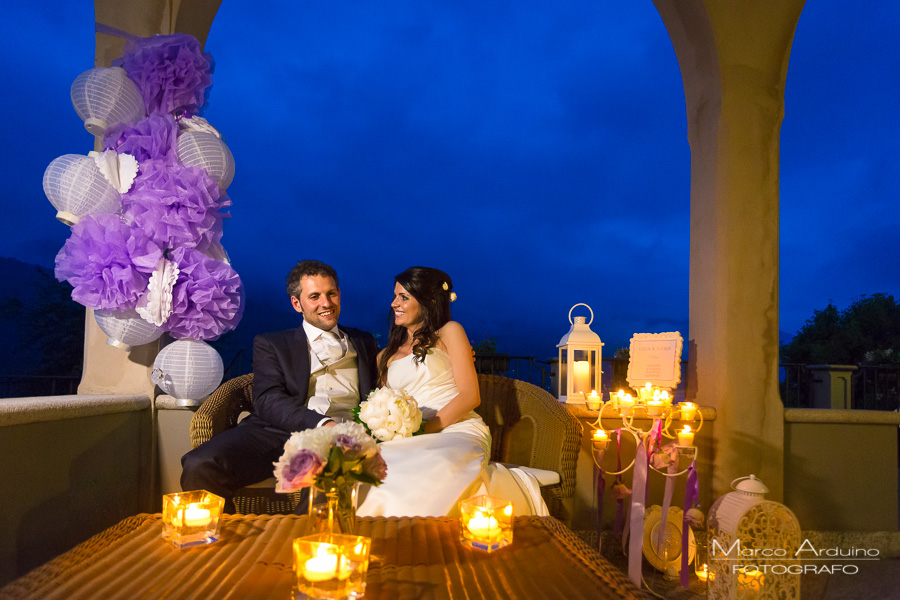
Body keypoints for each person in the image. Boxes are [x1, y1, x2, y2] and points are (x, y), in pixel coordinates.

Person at [181, 260, 379, 512]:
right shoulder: (272, 343)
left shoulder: (363, 341)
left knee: (325, 482)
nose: (326, 303)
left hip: (343, 437)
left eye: (331, 294)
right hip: (277, 432)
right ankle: (229, 543)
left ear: (339, 294)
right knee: (200, 464)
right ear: (297, 304)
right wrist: (321, 424)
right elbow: (267, 398)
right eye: (315, 296)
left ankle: (296, 542)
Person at [356, 266, 547, 517]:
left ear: (428, 301)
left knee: (438, 465)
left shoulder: (449, 332)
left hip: (456, 427)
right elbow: (382, 404)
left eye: (404, 297)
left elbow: (470, 396)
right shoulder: (386, 356)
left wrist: (423, 429)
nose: (394, 304)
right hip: (407, 436)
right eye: (394, 296)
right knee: (378, 468)